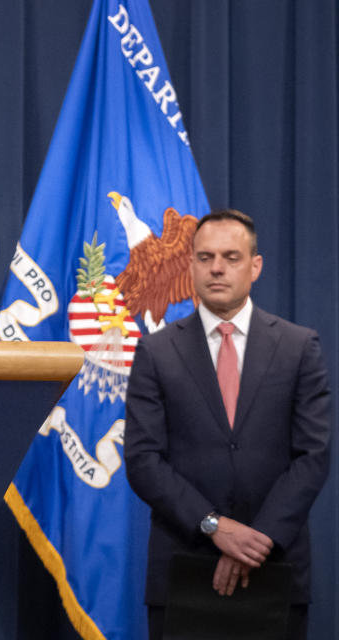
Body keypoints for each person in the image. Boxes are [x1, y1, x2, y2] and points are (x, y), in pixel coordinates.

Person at [124, 209, 331, 639]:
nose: (217, 267)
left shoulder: (298, 347)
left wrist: (255, 541)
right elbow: (144, 460)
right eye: (205, 257)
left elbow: (312, 456)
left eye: (231, 257)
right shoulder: (156, 352)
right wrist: (214, 526)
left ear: (255, 265)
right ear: (191, 265)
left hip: (274, 567)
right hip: (185, 568)